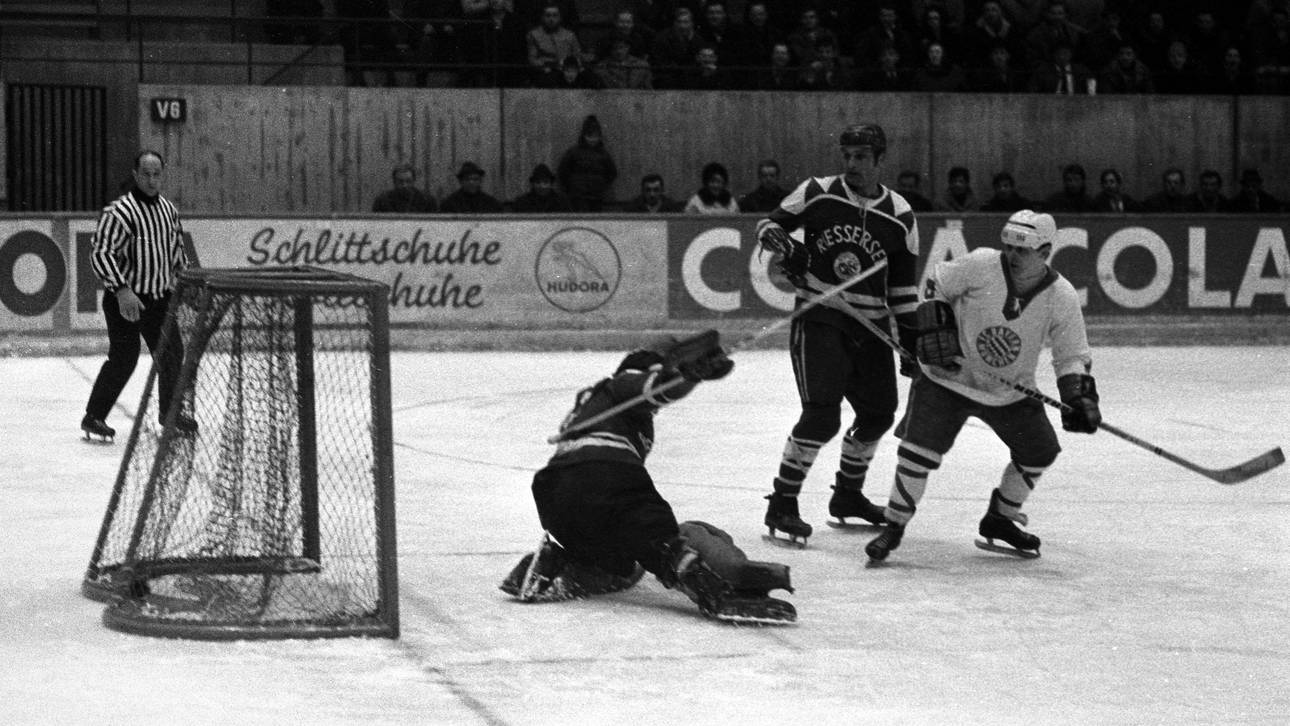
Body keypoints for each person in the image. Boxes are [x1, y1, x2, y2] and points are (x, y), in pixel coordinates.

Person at [499, 333, 797, 624]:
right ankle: (711, 590)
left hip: (556, 495)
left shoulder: (597, 402)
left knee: (617, 566)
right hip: (605, 473)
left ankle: (562, 562)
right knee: (659, 537)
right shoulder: (623, 383)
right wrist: (688, 375)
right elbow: (656, 387)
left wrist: (685, 374)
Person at [864, 210, 1101, 562]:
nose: (1012, 255)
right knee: (918, 452)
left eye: (1023, 250)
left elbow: (1071, 355)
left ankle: (999, 519)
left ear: (1046, 251)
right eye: (1009, 247)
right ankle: (894, 525)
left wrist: (1078, 396)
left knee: (1040, 452)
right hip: (947, 378)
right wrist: (935, 324)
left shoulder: (1061, 295)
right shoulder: (981, 264)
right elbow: (936, 283)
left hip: (1009, 391)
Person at [756, 124, 921, 544]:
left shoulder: (900, 215)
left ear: (880, 160)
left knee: (879, 413)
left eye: (862, 157)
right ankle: (783, 502)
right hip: (821, 316)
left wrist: (911, 340)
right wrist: (777, 239)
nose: (851, 165)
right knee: (822, 415)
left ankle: (847, 496)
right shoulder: (818, 192)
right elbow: (769, 225)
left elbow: (902, 288)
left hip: (872, 328)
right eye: (847, 155)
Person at [82, 151, 195, 442]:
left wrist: (189, 282)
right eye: (146, 173)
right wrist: (121, 290)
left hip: (159, 299)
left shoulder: (168, 210)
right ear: (135, 174)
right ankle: (93, 417)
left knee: (172, 354)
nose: (152, 179)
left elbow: (176, 253)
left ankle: (169, 414)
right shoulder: (119, 212)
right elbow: (101, 253)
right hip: (126, 300)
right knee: (124, 358)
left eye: (157, 173)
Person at [557, 115, 618, 213]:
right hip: (578, 196)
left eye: (596, 136)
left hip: (596, 196)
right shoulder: (574, 152)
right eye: (590, 136)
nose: (593, 140)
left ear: (599, 137)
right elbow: (563, 171)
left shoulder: (604, 154)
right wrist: (571, 187)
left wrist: (601, 185)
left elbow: (612, 172)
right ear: (584, 136)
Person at [525, 2, 582, 87]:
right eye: (548, 16)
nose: (551, 19)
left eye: (555, 16)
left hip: (567, 71)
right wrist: (543, 67)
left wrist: (571, 69)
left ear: (560, 18)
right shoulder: (534, 35)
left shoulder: (570, 35)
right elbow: (532, 59)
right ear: (542, 17)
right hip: (546, 71)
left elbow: (577, 56)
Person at [439, 161, 504, 213]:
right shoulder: (449, 203)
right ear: (461, 182)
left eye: (475, 179)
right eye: (467, 179)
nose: (471, 182)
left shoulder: (491, 203)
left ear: (480, 181)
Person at [371, 163, 437, 213]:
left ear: (414, 180)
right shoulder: (382, 201)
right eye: (400, 181)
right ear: (394, 182)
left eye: (408, 181)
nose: (404, 185)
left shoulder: (427, 201)